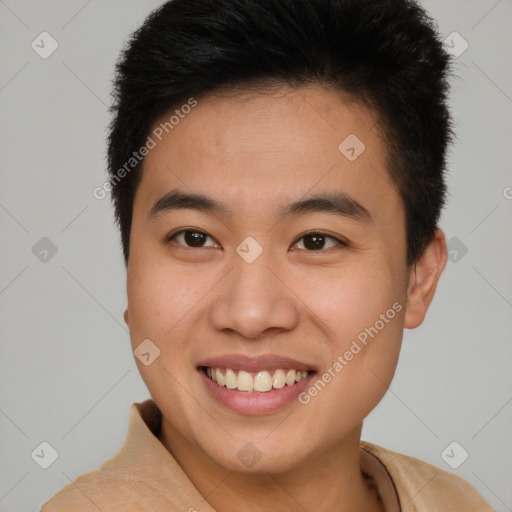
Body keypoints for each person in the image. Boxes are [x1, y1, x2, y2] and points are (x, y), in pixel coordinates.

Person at [40, 0, 493, 510]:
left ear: (418, 278)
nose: (250, 314)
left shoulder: (454, 501)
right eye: (194, 238)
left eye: (316, 241)